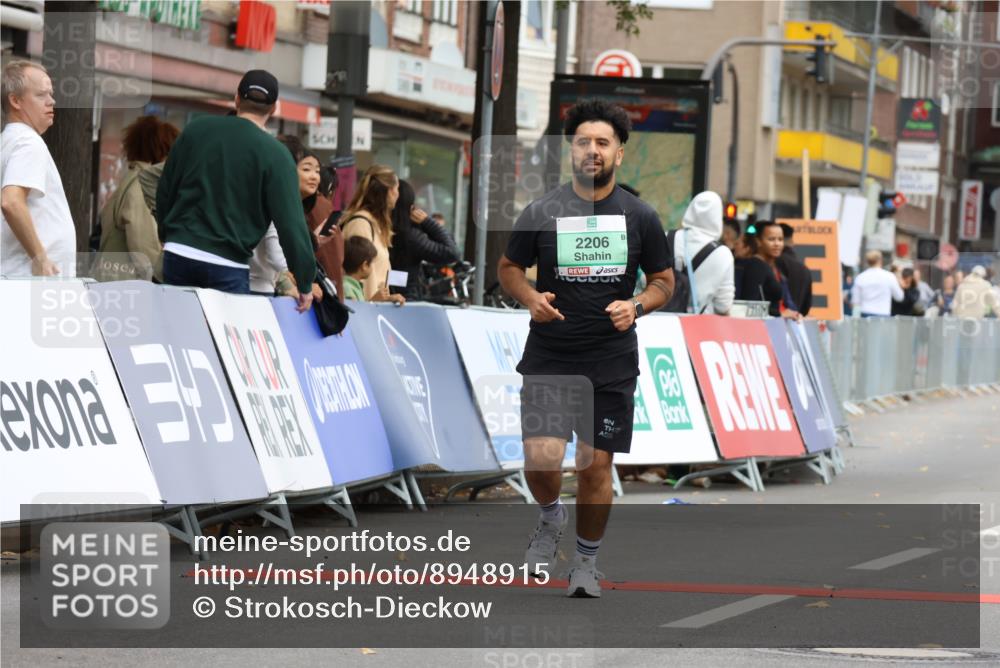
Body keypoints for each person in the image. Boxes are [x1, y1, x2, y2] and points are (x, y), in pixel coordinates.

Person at [497, 100, 674, 598]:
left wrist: (636, 306)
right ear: (569, 149)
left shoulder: (640, 216)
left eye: (602, 142)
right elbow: (509, 267)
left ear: (619, 151)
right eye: (582, 142)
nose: (591, 150)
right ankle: (551, 517)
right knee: (541, 460)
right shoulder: (543, 210)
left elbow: (664, 281)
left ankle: (585, 563)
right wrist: (531, 297)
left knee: (595, 464)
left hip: (610, 358)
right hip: (551, 354)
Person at [155, 70, 314, 312]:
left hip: (180, 252)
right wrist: (304, 281)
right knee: (225, 346)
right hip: (228, 262)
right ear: (273, 109)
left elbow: (166, 187)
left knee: (179, 337)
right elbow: (291, 225)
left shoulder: (196, 130)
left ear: (237, 98)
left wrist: (167, 234)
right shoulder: (276, 155)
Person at [1, 60, 75, 277]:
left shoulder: (8, 141)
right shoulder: (28, 142)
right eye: (41, 95)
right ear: (15, 100)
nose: (51, 101)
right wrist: (40, 258)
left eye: (51, 94)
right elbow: (11, 201)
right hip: (31, 282)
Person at [95, 115, 180, 282]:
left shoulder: (130, 180)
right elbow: (145, 249)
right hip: (126, 288)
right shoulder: (143, 187)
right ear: (163, 153)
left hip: (111, 282)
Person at [249, 136, 323, 302]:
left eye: (317, 171)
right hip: (257, 287)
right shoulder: (278, 200)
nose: (314, 176)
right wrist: (303, 283)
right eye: (305, 169)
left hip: (259, 283)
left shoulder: (263, 192)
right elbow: (276, 255)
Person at [340, 164, 404, 304]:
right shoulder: (361, 223)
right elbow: (359, 272)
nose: (398, 194)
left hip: (375, 309)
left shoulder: (376, 225)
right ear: (389, 191)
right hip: (365, 312)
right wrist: (372, 303)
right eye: (397, 188)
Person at [388, 180, 461, 300]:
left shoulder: (379, 227)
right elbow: (452, 252)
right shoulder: (410, 236)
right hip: (406, 301)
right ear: (410, 206)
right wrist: (427, 222)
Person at [668, 191, 734, 315]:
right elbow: (723, 306)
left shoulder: (666, 237)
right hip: (697, 326)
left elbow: (644, 281)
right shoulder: (723, 253)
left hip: (655, 320)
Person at [752, 221, 802, 320]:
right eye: (771, 239)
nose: (777, 244)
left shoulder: (774, 266)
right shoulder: (756, 266)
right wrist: (780, 314)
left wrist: (791, 313)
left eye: (780, 239)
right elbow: (750, 305)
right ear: (758, 241)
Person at [851, 250, 903, 317]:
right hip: (883, 314)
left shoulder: (860, 278)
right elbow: (899, 297)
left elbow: (855, 301)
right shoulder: (889, 276)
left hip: (865, 313)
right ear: (880, 260)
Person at [776, 223, 813, 316]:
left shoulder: (775, 262)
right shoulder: (805, 269)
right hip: (795, 324)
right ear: (792, 241)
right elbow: (806, 307)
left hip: (774, 322)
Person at [343, 236, 377, 302]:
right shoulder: (347, 288)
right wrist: (374, 301)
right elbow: (356, 311)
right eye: (372, 263)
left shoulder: (351, 286)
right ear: (364, 265)